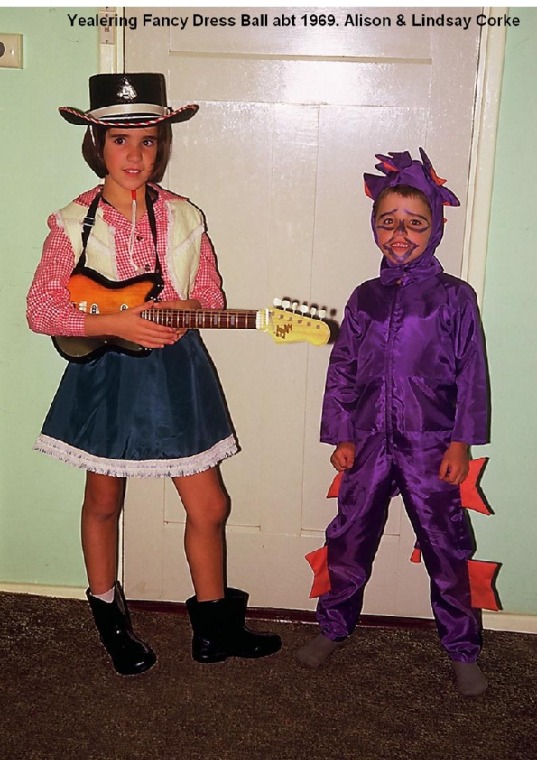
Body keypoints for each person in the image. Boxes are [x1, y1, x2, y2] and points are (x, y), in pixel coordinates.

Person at [26, 73, 281, 675]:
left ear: (161, 144)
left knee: (210, 504)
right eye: (120, 141)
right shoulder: (69, 222)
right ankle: (110, 619)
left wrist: (189, 310)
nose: (135, 155)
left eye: (147, 141)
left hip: (176, 373)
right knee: (104, 498)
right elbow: (42, 310)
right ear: (97, 145)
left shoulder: (186, 217)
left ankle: (214, 627)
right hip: (106, 376)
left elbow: (212, 299)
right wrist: (117, 320)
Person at [297, 149, 490, 697]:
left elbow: (472, 374)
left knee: (445, 546)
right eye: (389, 223)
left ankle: (461, 646)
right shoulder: (365, 297)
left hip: (433, 446)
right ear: (374, 227)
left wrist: (461, 442)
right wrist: (342, 432)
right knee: (350, 535)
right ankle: (334, 625)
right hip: (369, 444)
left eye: (415, 224)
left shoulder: (455, 298)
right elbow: (343, 369)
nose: (400, 234)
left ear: (436, 228)